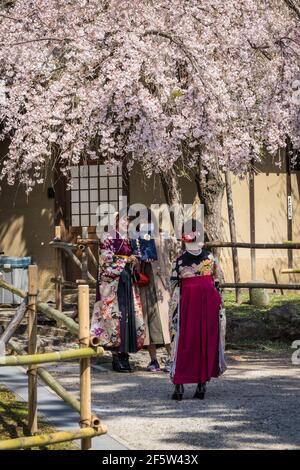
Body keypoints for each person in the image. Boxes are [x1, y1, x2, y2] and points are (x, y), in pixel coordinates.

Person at [169, 223, 226, 400]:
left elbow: (173, 285)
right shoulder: (210, 258)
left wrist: (173, 310)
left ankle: (179, 385)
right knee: (204, 341)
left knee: (183, 342)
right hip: (208, 302)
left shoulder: (179, 261)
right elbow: (217, 283)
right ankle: (201, 384)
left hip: (187, 301)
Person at [90, 214, 145, 372]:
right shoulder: (107, 237)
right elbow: (105, 259)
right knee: (115, 317)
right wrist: (124, 261)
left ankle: (125, 355)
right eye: (122, 220)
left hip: (126, 281)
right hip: (113, 283)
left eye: (127, 221)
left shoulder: (129, 238)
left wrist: (134, 260)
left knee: (128, 316)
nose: (125, 223)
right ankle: (116, 357)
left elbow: (134, 257)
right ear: (115, 221)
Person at [131, 216, 173, 372]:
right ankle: (153, 360)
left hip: (162, 285)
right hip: (145, 284)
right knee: (148, 322)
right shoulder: (137, 241)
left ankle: (172, 358)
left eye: (147, 223)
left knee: (167, 322)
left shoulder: (163, 238)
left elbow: (173, 252)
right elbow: (135, 264)